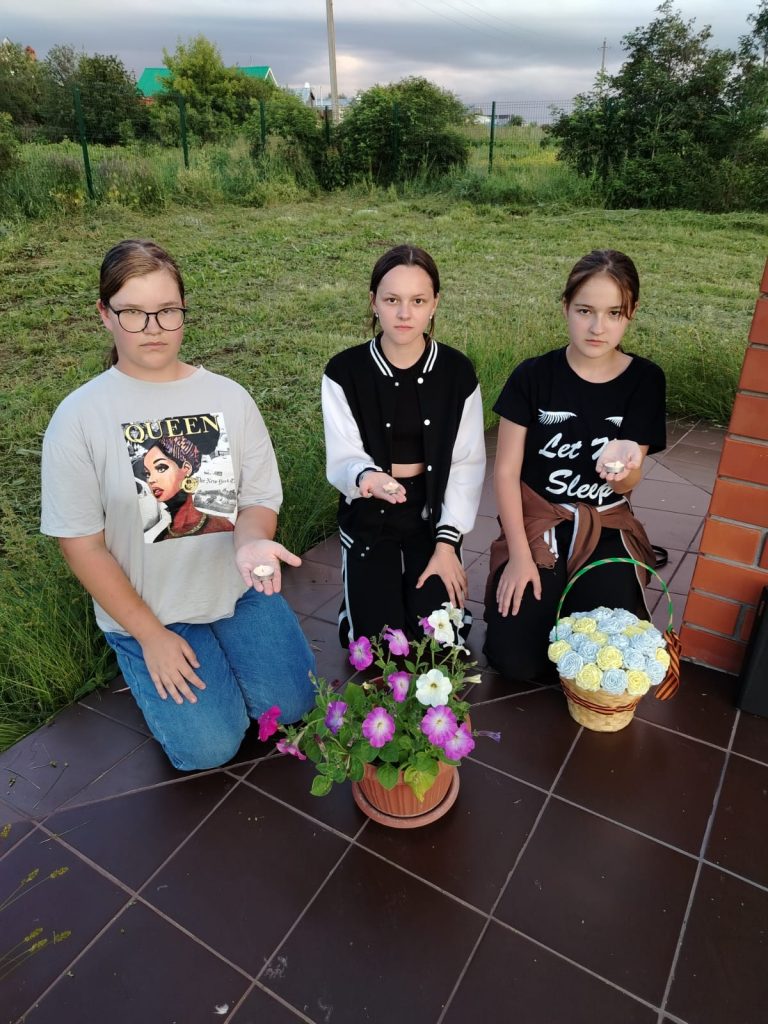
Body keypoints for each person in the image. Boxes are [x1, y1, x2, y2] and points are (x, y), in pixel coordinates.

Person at [41, 239, 315, 770]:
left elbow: (258, 499)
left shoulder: (229, 398)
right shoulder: (79, 418)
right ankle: (141, 656)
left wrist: (251, 541)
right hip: (151, 611)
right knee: (209, 748)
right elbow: (81, 545)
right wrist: (150, 636)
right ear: (104, 314)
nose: (153, 328)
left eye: (167, 310)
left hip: (236, 592)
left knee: (295, 706)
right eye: (133, 312)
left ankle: (224, 656)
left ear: (184, 310)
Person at [483, 249, 666, 681]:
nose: (598, 327)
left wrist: (626, 464)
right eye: (585, 310)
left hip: (604, 522)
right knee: (515, 662)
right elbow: (506, 473)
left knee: (603, 650)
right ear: (565, 307)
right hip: (540, 521)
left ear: (631, 312)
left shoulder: (644, 380)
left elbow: (627, 484)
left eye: (613, 313)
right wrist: (519, 556)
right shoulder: (533, 376)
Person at [321, 244, 486, 646]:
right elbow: (344, 454)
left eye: (418, 301)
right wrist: (368, 477)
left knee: (439, 640)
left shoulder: (457, 372)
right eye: (392, 300)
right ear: (373, 302)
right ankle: (356, 603)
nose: (404, 313)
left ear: (435, 304)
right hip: (370, 510)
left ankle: (422, 582)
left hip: (430, 515)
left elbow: (466, 463)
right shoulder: (344, 371)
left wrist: (447, 544)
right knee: (379, 643)